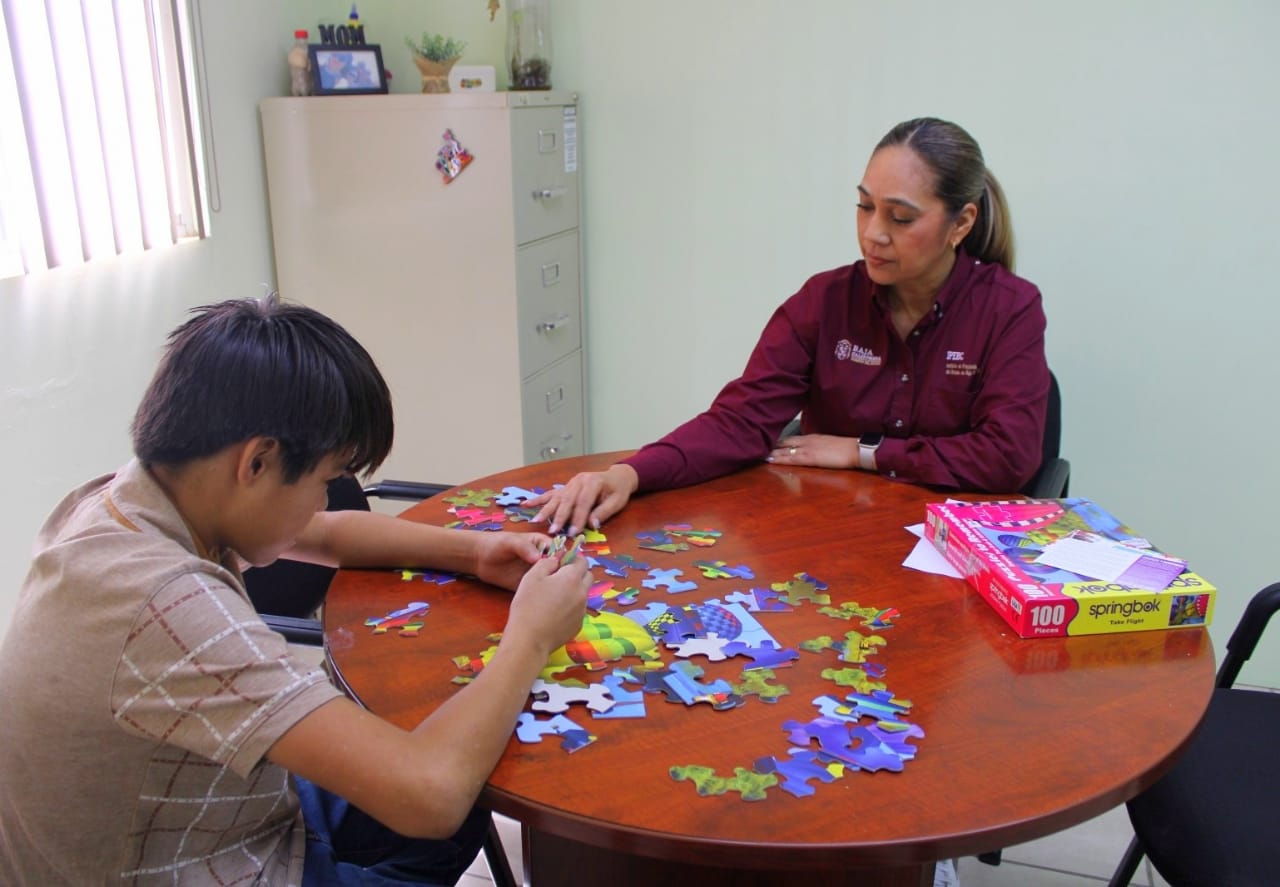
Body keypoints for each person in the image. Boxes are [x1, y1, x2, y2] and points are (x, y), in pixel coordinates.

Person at [0, 294, 591, 885]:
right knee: (455, 786)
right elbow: (430, 795)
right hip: (210, 862)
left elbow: (328, 536)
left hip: (237, 810)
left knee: (474, 768)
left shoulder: (125, 502)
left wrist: (478, 550)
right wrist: (531, 637)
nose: (324, 501)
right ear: (256, 463)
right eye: (327, 480)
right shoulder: (167, 605)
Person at [530, 116, 1050, 537]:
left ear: (960, 223)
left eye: (901, 218)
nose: (873, 234)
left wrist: (863, 452)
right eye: (865, 206)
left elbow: (1009, 456)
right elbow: (740, 421)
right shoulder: (824, 301)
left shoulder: (1011, 308)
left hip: (955, 554)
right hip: (833, 540)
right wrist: (629, 473)